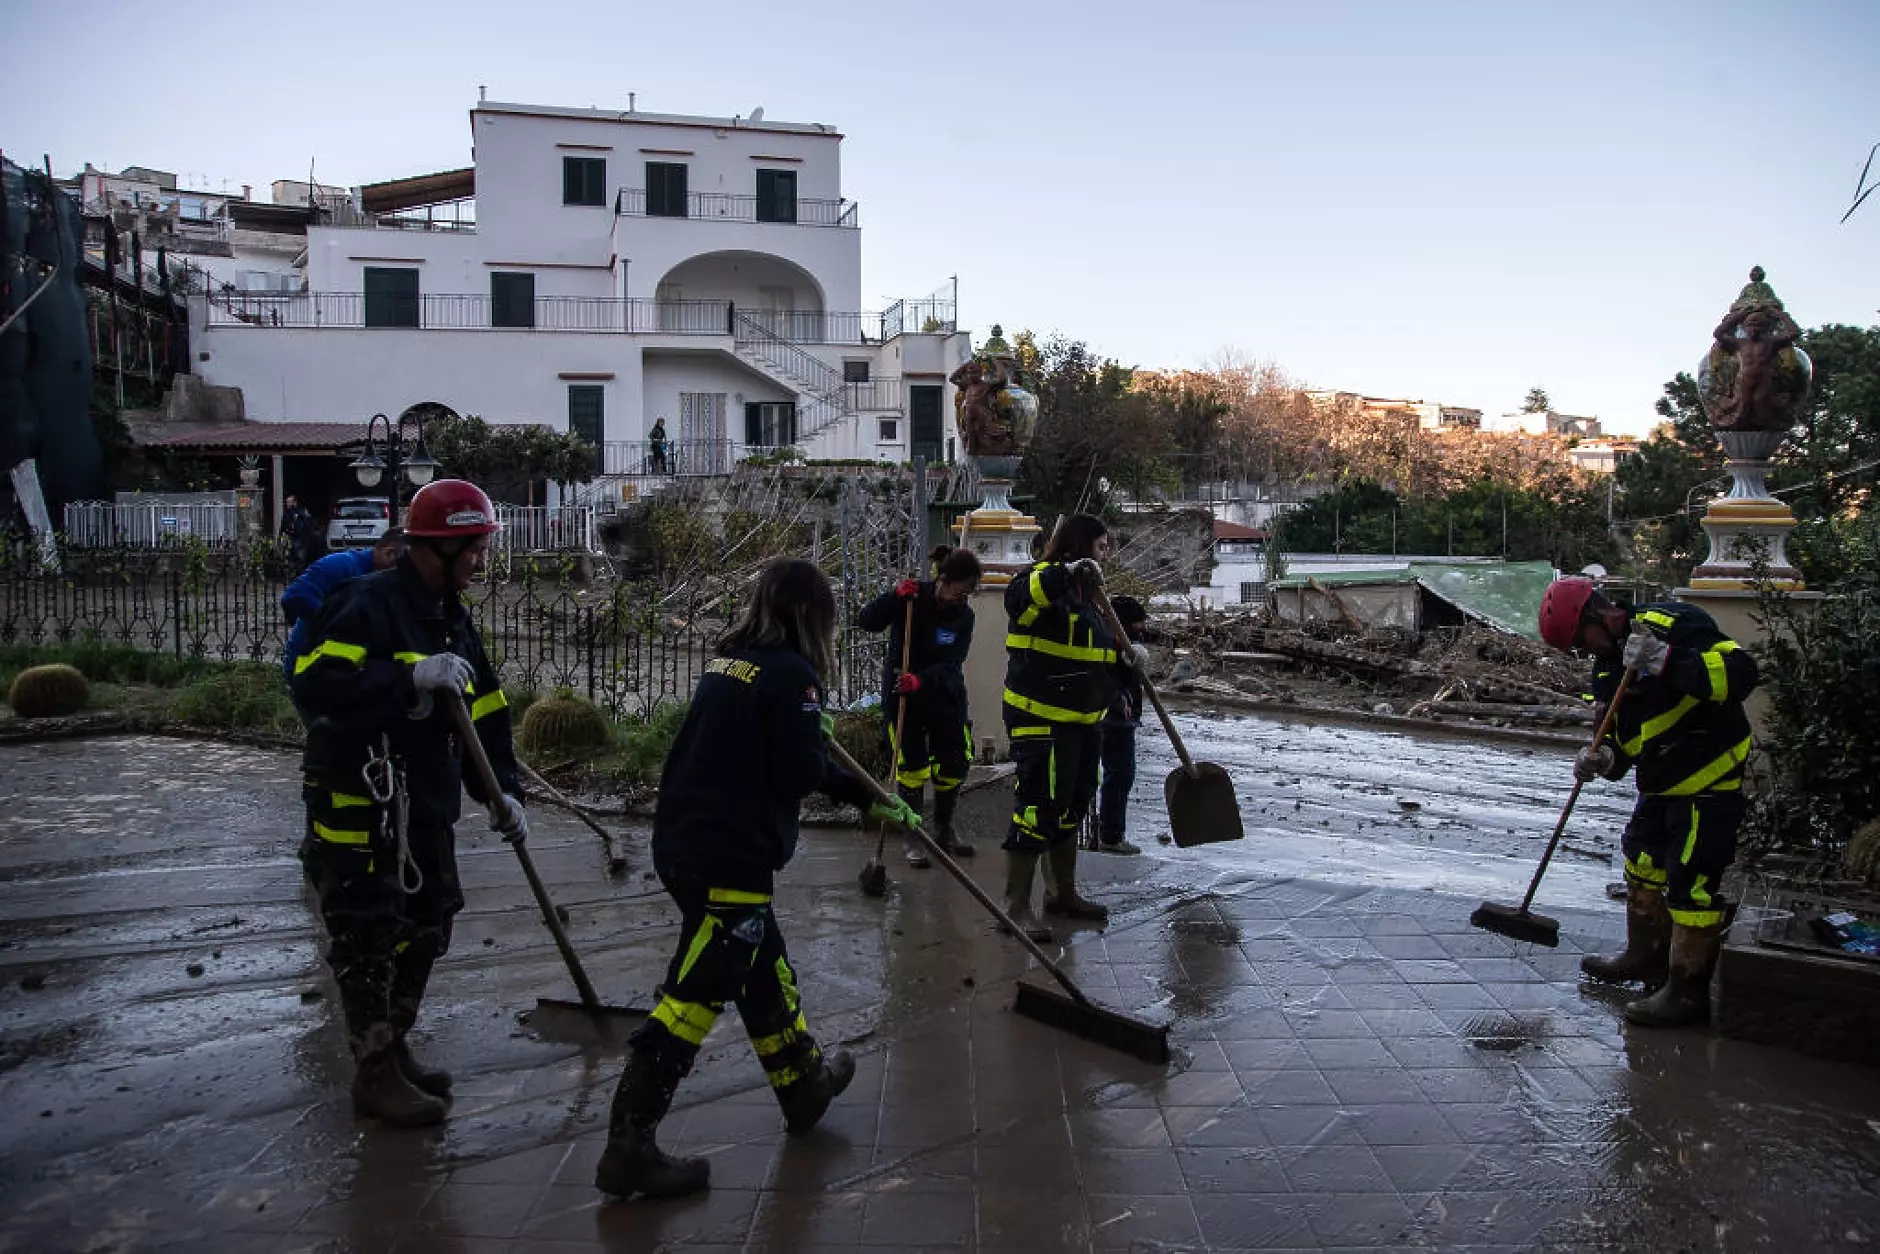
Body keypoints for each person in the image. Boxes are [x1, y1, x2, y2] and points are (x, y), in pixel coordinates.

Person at [595, 558, 921, 1200]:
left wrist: (860, 792)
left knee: (762, 967)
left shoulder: (731, 663)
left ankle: (803, 1087)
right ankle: (629, 1145)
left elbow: (770, 753)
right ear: (811, 616)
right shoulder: (793, 677)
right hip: (730, 858)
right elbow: (798, 772)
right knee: (693, 997)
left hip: (688, 843)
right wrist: (838, 762)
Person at [291, 479, 526, 1127]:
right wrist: (406, 677)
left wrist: (502, 792)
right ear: (439, 548)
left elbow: (486, 711)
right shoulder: (363, 606)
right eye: (473, 549)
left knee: (429, 917)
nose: (482, 561)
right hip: (358, 804)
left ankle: (392, 1049)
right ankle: (373, 1073)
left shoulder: (452, 616)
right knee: (366, 932)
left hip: (425, 802)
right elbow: (315, 683)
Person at [1538, 577, 1759, 1028]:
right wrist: (1601, 758)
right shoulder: (1606, 667)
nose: (1586, 651)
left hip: (1707, 776)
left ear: (1600, 616)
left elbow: (1739, 677)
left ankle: (1687, 991)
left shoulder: (1675, 623)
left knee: (1691, 883)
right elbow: (1623, 738)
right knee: (1640, 859)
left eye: (1583, 640)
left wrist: (1665, 660)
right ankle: (1645, 956)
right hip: (1660, 781)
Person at [1000, 512, 1119, 941]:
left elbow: (1092, 661)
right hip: (1041, 719)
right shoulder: (1043, 579)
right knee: (1037, 809)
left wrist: (1123, 673)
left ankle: (1061, 894)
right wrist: (1064, 573)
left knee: (1072, 805)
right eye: (1101, 546)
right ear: (1080, 545)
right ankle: (1014, 908)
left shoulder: (1090, 600)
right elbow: (1017, 598)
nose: (1106, 555)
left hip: (1084, 723)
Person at [856, 545, 983, 867]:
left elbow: (953, 662)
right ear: (943, 580)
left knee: (954, 762)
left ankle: (944, 828)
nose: (964, 597)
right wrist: (893, 597)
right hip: (902, 697)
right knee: (912, 768)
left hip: (943, 693)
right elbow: (866, 621)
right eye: (962, 590)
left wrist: (922, 680)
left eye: (969, 593)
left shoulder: (964, 616)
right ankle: (914, 835)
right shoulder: (911, 600)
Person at [280, 528, 406, 684]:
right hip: (310, 669)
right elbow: (293, 597)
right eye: (404, 566)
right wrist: (334, 623)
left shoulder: (386, 582)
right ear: (389, 553)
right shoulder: (342, 565)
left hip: (348, 673)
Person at [1094, 594, 1153, 856]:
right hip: (1111, 718)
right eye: (1137, 627)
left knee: (1120, 777)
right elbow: (1103, 677)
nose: (1142, 632)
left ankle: (1109, 834)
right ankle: (1109, 836)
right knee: (1118, 776)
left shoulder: (1123, 645)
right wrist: (1119, 700)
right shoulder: (1104, 643)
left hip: (1120, 718)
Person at [279, 495, 316, 571]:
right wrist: (280, 537)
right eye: (286, 502)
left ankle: (299, 574)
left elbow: (309, 523)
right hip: (290, 538)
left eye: (289, 502)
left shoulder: (302, 511)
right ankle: (291, 575)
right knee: (289, 559)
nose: (287, 504)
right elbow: (283, 526)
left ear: (294, 503)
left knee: (300, 559)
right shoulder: (287, 513)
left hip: (301, 539)